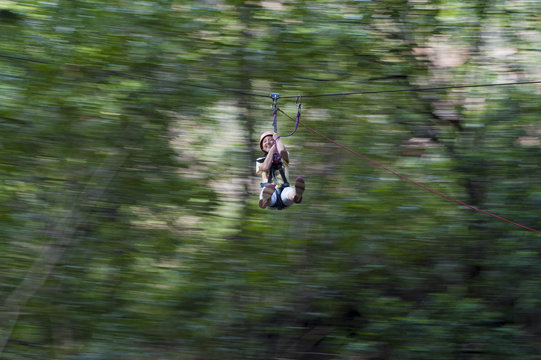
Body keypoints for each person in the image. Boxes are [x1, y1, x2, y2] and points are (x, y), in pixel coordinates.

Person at [256, 132, 305, 209]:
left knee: (289, 193)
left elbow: (282, 151)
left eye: (270, 140)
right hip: (270, 191)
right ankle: (266, 200)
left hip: (284, 189)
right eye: (265, 141)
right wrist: (273, 149)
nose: (268, 142)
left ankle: (296, 195)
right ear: (262, 147)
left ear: (275, 142)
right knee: (267, 192)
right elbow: (265, 167)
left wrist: (278, 139)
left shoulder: (284, 157)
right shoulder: (260, 160)